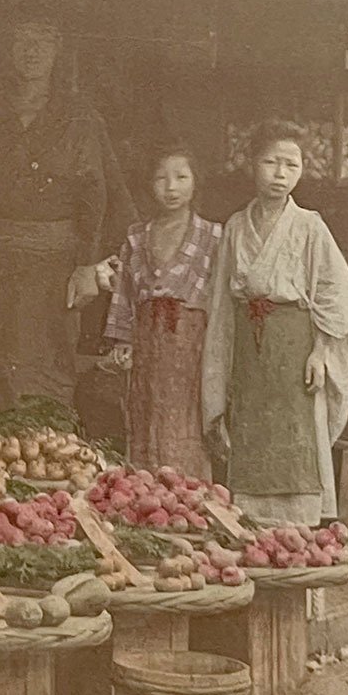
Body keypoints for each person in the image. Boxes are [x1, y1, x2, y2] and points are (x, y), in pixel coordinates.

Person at [0, 15, 137, 408]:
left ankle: (47, 445)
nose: (31, 51)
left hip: (57, 261)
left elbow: (99, 194)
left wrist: (88, 267)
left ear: (57, 51)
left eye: (42, 41)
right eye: (22, 40)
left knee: (49, 356)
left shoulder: (79, 116)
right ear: (9, 49)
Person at [202, 119, 348, 525]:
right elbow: (221, 303)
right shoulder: (236, 226)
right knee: (251, 432)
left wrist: (322, 351)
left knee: (296, 435)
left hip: (295, 349)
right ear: (252, 164)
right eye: (271, 162)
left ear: (302, 170)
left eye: (291, 165)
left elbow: (339, 292)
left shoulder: (310, 226)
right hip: (250, 351)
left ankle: (299, 527)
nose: (280, 174)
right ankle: (253, 527)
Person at [104, 143, 222, 477]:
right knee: (145, 414)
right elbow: (124, 293)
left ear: (196, 181)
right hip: (147, 344)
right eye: (161, 179)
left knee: (184, 420)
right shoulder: (137, 237)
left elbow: (223, 301)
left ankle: (188, 500)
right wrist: (122, 340)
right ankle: (144, 495)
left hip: (192, 347)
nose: (171, 187)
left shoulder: (214, 235)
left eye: (181, 177)